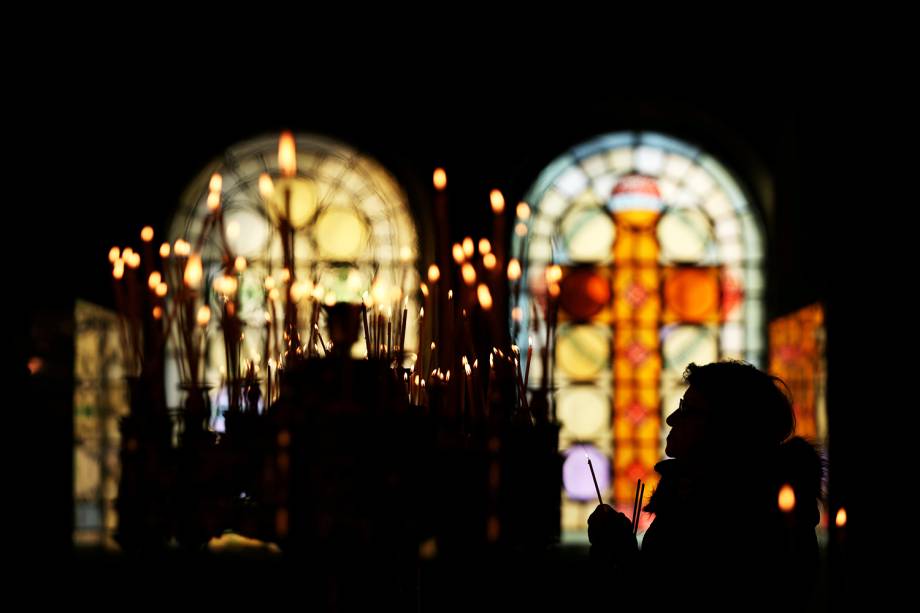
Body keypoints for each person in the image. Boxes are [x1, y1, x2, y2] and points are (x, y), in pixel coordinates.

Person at [587, 361, 824, 611]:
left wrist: (618, 556)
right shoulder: (694, 493)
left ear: (726, 427)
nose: (671, 418)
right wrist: (620, 552)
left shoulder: (737, 516)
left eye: (687, 410)